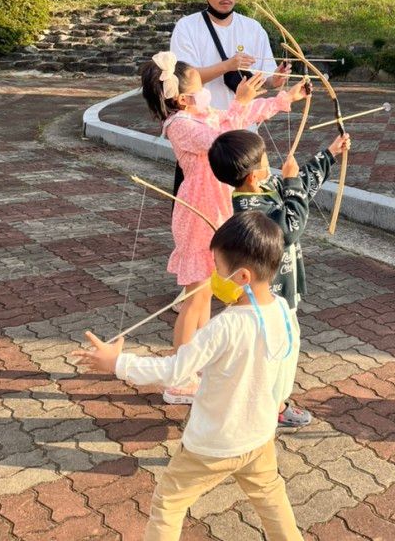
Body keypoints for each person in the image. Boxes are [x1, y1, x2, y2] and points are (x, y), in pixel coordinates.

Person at [74, 212, 304, 541]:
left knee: (168, 504)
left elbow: (173, 371)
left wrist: (117, 363)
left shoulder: (225, 325)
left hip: (211, 445)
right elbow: (287, 366)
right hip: (259, 437)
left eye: (218, 268)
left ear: (241, 276)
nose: (213, 276)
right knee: (272, 500)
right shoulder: (282, 308)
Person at [140, 51, 309, 405]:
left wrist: (283, 99)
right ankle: (178, 377)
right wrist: (238, 102)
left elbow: (241, 119)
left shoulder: (202, 114)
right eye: (199, 89)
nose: (204, 94)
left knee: (203, 297)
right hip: (196, 214)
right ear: (181, 98)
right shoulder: (180, 126)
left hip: (216, 210)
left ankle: (193, 366)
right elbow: (222, 141)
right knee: (194, 299)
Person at [209, 127, 350, 428]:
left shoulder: (264, 187)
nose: (267, 163)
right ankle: (274, 406)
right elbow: (290, 227)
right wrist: (290, 180)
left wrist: (330, 154)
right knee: (281, 349)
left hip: (279, 293)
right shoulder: (250, 210)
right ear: (251, 176)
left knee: (278, 347)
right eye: (263, 160)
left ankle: (264, 402)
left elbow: (300, 188)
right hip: (271, 297)